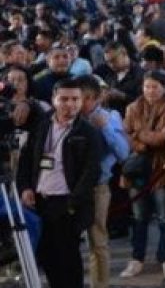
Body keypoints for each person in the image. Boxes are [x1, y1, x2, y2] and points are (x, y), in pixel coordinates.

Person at [17, 78, 102, 288]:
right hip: (40, 201)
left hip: (67, 204)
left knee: (69, 259)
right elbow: (26, 160)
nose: (69, 104)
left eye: (75, 99)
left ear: (81, 101)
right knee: (47, 257)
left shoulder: (88, 131)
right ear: (54, 100)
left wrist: (73, 203)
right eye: (64, 99)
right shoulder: (41, 125)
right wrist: (26, 187)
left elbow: (91, 171)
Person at [120, 70, 165, 280]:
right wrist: (140, 141)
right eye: (147, 86)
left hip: (162, 168)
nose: (150, 91)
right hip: (137, 167)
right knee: (139, 216)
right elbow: (126, 136)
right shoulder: (132, 107)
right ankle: (137, 258)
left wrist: (139, 134)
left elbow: (164, 138)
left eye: (155, 86)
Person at [76, 75, 129, 288]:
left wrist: (105, 127)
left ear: (97, 98)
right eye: (79, 98)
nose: (83, 103)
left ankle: (100, 285)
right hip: (70, 187)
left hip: (98, 187)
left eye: (88, 98)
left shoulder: (110, 116)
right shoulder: (69, 117)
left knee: (97, 240)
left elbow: (123, 152)